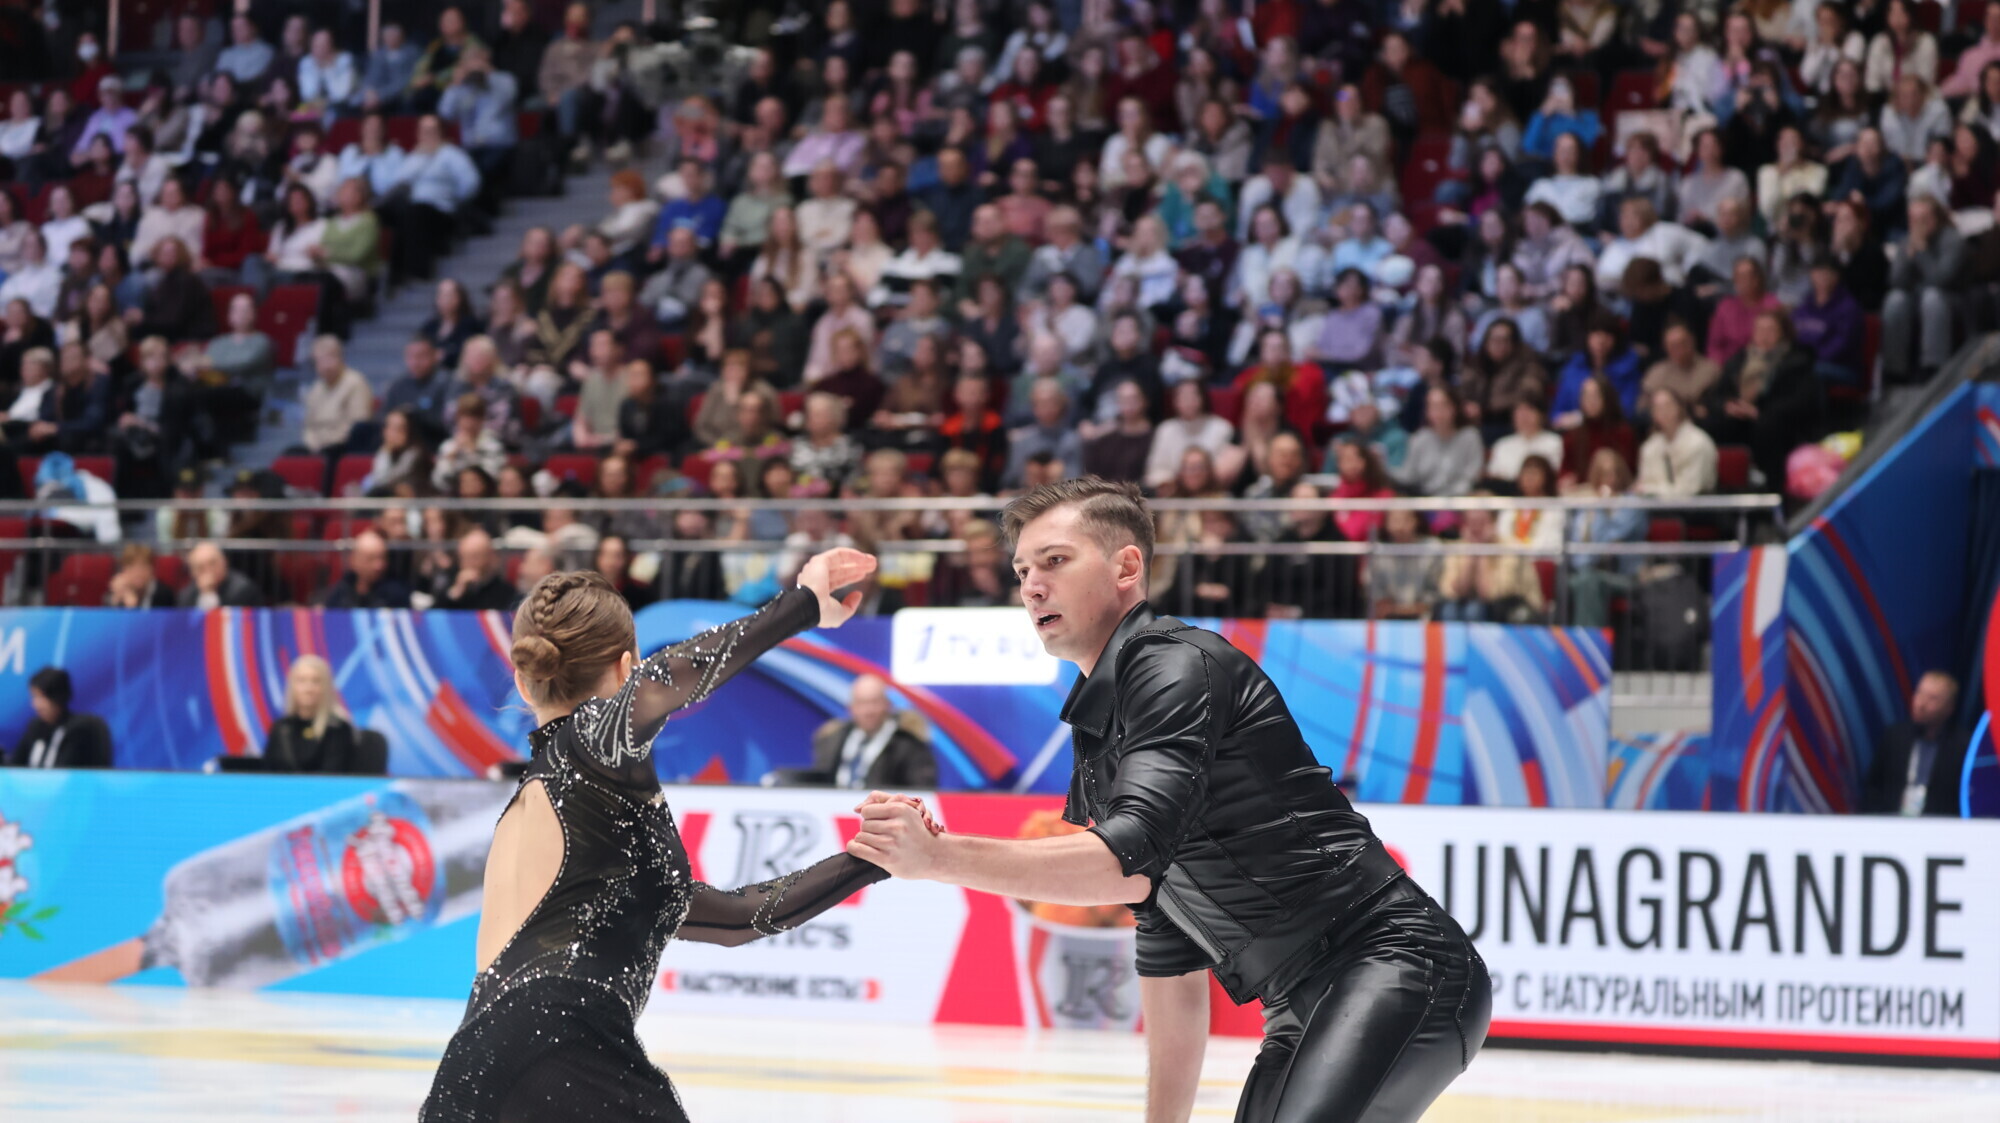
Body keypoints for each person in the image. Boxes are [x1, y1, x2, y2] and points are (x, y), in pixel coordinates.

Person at [850, 478, 1488, 1123]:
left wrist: (937, 857)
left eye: (1055, 561)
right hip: (1301, 1003)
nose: (1031, 587)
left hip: (1396, 963)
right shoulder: (1102, 733)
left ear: (1127, 566)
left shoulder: (1173, 666)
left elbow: (1124, 860)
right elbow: (1167, 953)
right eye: (1021, 571)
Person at [421, 549, 886, 1117]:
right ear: (624, 668)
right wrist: (804, 605)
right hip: (564, 1043)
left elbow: (740, 918)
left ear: (522, 682)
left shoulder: (571, 823)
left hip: (469, 1071)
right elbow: (667, 681)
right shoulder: (587, 745)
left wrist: (875, 858)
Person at [784, 673, 940, 789]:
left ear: (888, 705)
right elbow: (820, 779)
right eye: (861, 703)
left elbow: (922, 792)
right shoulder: (831, 739)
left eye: (875, 702)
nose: (868, 711)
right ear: (851, 707)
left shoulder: (909, 746)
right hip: (833, 816)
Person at [1862, 671, 1971, 817]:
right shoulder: (1895, 736)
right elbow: (1873, 787)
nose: (1921, 703)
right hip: (1891, 823)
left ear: (1949, 708)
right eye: (1919, 694)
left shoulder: (1962, 746)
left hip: (1939, 827)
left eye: (1932, 699)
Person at [262, 655, 361, 774]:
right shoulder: (280, 728)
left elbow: (334, 776)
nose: (308, 689)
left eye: (316, 681)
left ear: (326, 687)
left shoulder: (338, 729)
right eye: (302, 681)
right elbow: (267, 773)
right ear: (292, 686)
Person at [6, 667, 113, 768]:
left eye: (42, 697)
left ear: (58, 696)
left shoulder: (80, 729)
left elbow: (66, 771)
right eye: (34, 696)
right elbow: (16, 766)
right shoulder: (34, 727)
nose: (36, 705)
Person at [319, 528, 413, 609]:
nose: (379, 565)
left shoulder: (397, 594)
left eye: (382, 558)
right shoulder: (341, 591)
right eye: (370, 559)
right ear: (354, 561)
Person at [178, 541, 265, 608]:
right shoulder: (186, 596)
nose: (208, 571)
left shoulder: (243, 591)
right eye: (201, 567)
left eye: (212, 563)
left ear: (224, 562)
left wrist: (209, 593)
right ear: (193, 572)